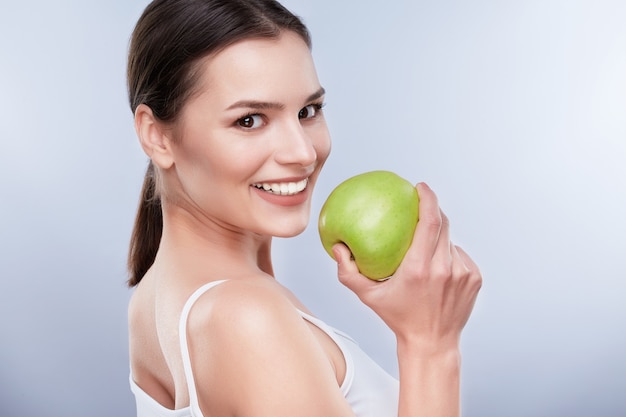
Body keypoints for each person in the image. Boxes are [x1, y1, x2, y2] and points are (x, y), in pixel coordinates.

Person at [126, 0, 482, 416]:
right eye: (250, 120)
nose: (302, 152)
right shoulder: (247, 319)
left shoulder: (157, 297)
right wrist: (431, 345)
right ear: (157, 136)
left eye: (308, 111)